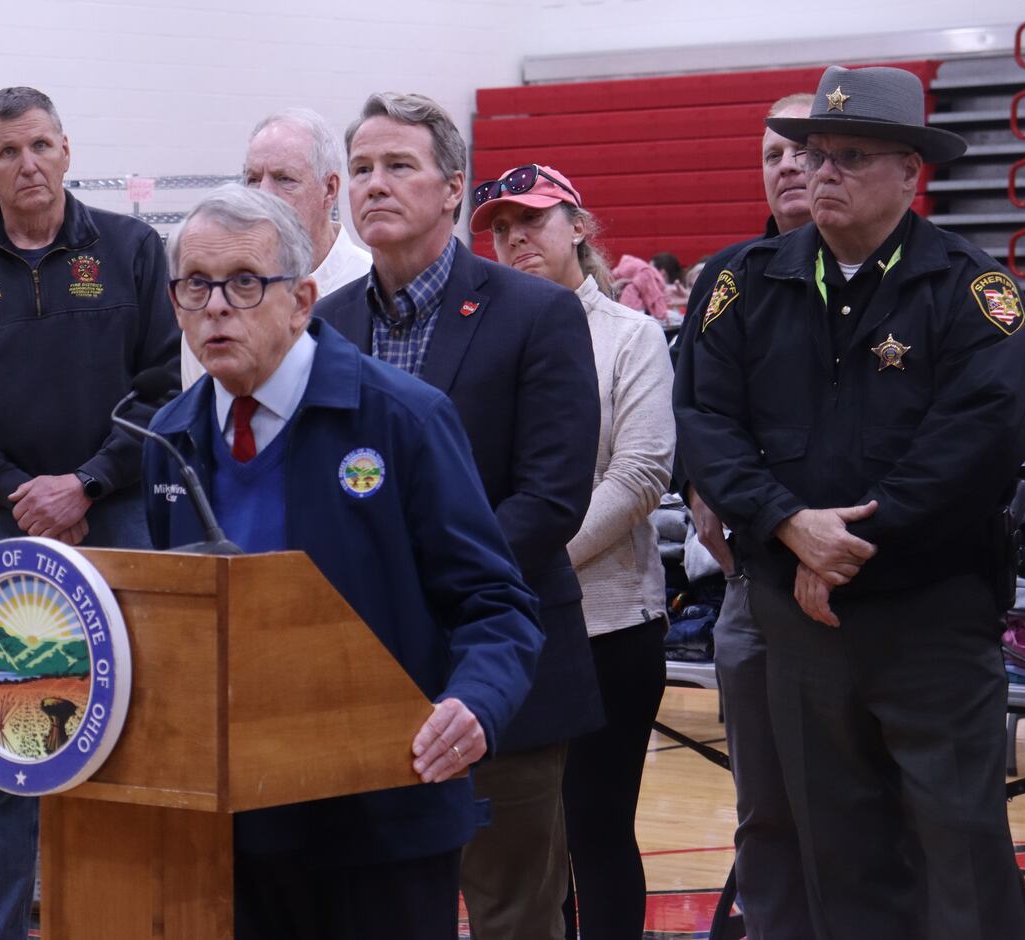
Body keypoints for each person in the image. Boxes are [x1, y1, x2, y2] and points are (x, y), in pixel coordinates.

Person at [677, 65, 1025, 940]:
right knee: (834, 855)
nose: (819, 171)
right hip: (799, 621)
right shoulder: (743, 285)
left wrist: (847, 548)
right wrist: (791, 527)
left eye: (849, 155)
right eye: (812, 153)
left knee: (961, 855)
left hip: (930, 621)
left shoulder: (973, 291)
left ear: (911, 172)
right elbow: (706, 426)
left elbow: (979, 445)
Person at [147, 182, 543, 940]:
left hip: (381, 819)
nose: (217, 307)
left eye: (243, 283)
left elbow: (496, 604)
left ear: (300, 302)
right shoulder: (168, 437)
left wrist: (475, 705)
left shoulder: (401, 417)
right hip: (233, 817)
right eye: (196, 285)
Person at [0, 85, 179, 940]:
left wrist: (84, 484)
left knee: (129, 733)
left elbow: (163, 389)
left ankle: (115, 922)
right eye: (9, 152)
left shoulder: (130, 251)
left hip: (116, 519)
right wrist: (23, 492)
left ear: (67, 149)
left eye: (42, 146)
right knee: (0, 748)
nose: (30, 165)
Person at [318, 92, 601, 940]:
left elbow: (551, 499)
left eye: (398, 166)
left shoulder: (535, 313)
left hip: (498, 664)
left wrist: (419, 589)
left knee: (513, 911)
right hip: (359, 672)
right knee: (374, 908)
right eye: (362, 168)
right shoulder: (325, 326)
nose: (376, 185)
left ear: (451, 189)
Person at [471, 164, 673, 940]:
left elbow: (639, 476)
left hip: (609, 622)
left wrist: (527, 559)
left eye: (534, 221)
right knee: (528, 843)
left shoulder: (631, 335)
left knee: (596, 829)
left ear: (579, 228)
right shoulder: (488, 334)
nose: (516, 237)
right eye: (501, 226)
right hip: (513, 622)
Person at [672, 90, 819, 940]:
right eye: (773, 155)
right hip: (753, 585)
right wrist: (701, 490)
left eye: (806, 148)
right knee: (765, 809)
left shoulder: (918, 280)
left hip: (866, 581)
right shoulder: (726, 281)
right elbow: (695, 412)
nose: (791, 166)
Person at [179, 108, 372, 387]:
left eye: (284, 179)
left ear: (329, 189)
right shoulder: (213, 305)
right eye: (253, 179)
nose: (263, 194)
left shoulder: (372, 289)